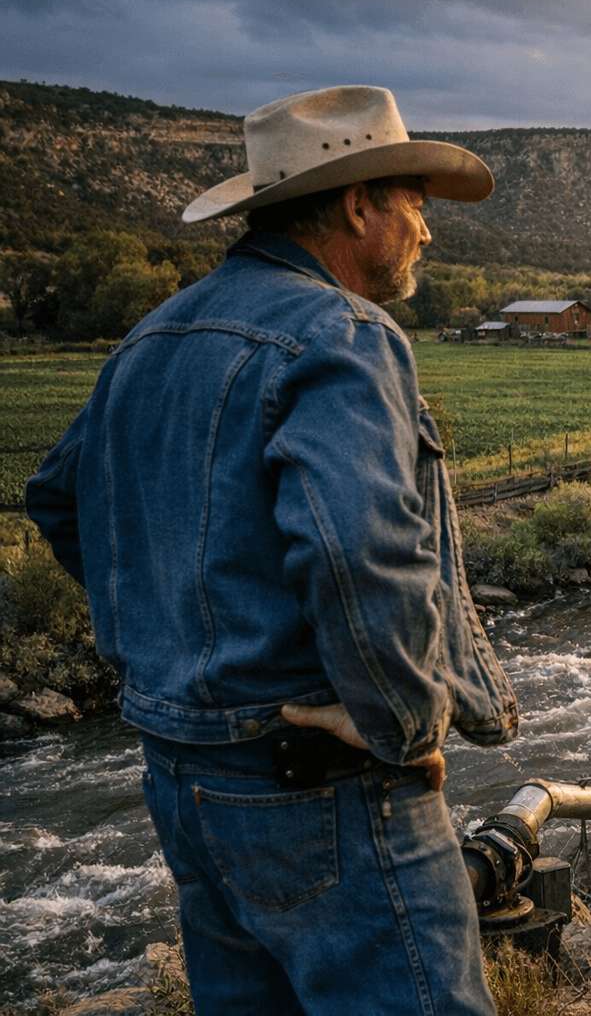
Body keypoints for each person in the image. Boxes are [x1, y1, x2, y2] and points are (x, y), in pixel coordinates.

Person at [26, 86, 518, 1016]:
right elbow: (361, 553)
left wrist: (175, 642)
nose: (425, 229)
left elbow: (58, 498)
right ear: (357, 206)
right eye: (413, 202)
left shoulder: (151, 335)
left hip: (184, 780)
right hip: (319, 787)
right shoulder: (342, 334)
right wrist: (403, 726)